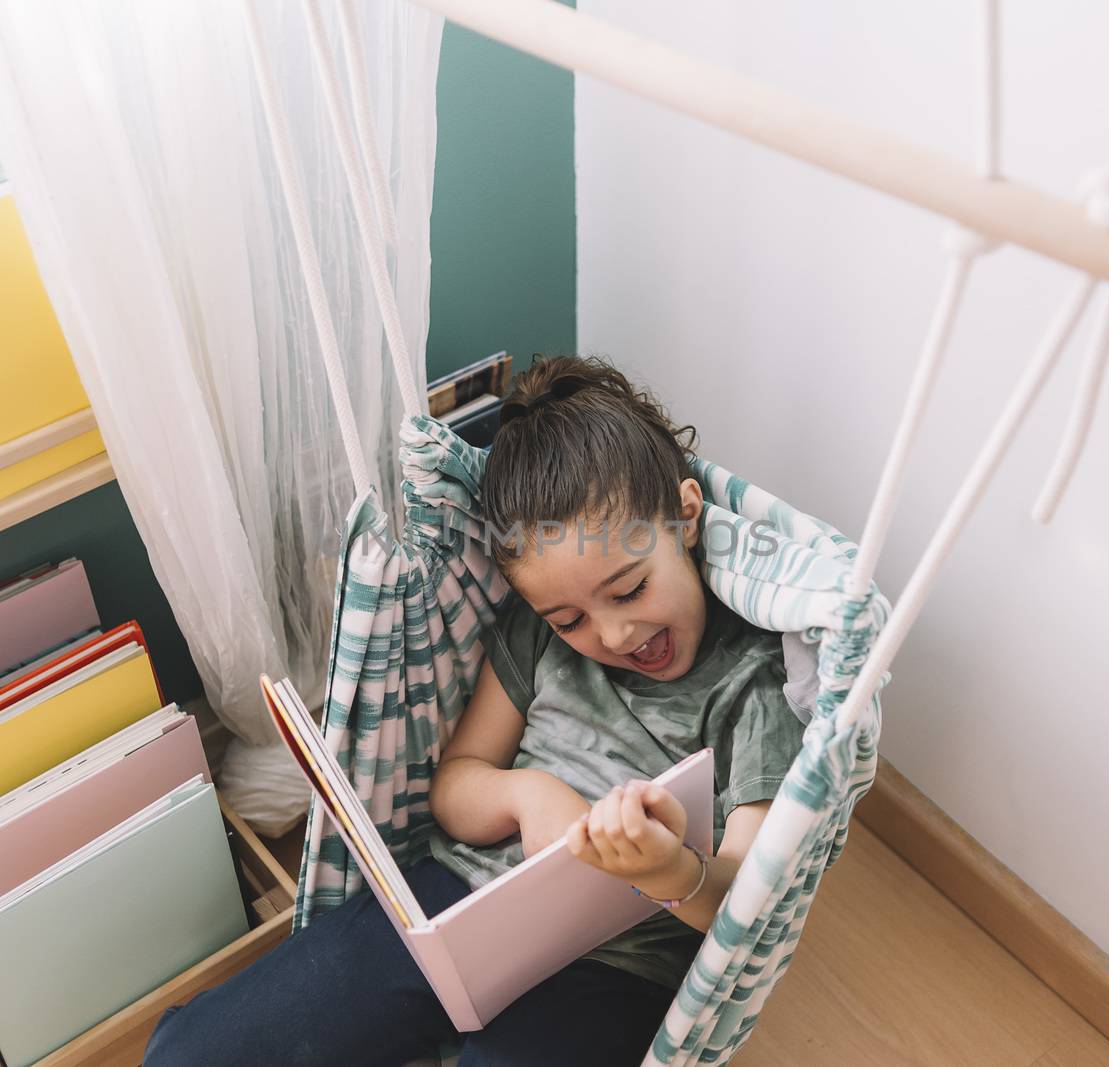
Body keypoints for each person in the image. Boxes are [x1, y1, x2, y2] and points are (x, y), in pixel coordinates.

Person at [143, 356, 803, 1066]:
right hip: (464, 905)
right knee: (188, 1053)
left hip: (615, 964)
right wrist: (526, 794)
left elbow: (745, 903)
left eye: (630, 588)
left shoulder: (753, 686)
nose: (612, 635)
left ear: (686, 517)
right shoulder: (535, 636)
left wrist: (670, 867)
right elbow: (454, 785)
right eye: (570, 618)